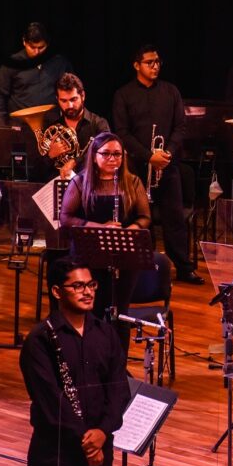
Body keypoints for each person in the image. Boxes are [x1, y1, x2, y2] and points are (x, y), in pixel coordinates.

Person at [20, 256, 130, 466]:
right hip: (57, 455)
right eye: (78, 286)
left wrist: (102, 432)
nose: (88, 292)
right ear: (57, 291)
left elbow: (119, 390)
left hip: (101, 447)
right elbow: (50, 402)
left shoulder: (106, 333)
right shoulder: (39, 339)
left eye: (91, 285)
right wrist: (87, 443)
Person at [113, 44, 204, 285]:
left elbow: (180, 127)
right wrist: (147, 155)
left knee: (174, 219)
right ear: (136, 65)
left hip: (167, 166)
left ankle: (183, 268)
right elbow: (122, 133)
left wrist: (168, 154)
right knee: (140, 218)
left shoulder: (171, 91)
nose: (155, 66)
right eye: (149, 62)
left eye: (157, 62)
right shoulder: (123, 95)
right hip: (136, 169)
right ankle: (144, 265)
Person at [59, 132, 150, 351]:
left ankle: (118, 366)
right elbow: (66, 218)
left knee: (121, 313)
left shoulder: (132, 182)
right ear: (94, 156)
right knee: (94, 311)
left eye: (117, 154)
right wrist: (101, 228)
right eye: (106, 154)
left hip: (124, 256)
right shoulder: (80, 182)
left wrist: (129, 231)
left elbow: (145, 217)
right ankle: (93, 360)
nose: (113, 159)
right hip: (89, 255)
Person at [0, 22, 73, 114]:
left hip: (52, 124)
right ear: (24, 42)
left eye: (41, 47)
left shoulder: (59, 62)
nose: (36, 52)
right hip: (21, 124)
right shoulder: (12, 64)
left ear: (47, 44)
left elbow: (71, 89)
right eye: (32, 47)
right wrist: (1, 125)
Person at [41, 72, 110, 179]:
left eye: (73, 99)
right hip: (60, 187)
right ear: (57, 99)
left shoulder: (99, 124)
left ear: (82, 96)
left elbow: (106, 154)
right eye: (64, 101)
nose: (70, 105)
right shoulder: (52, 128)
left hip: (91, 186)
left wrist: (74, 162)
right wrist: (50, 155)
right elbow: (38, 169)